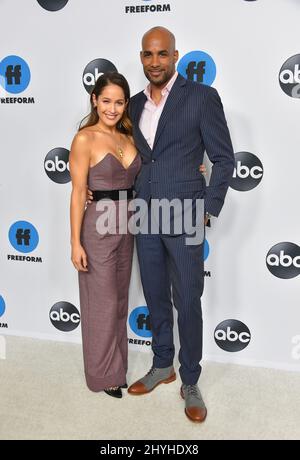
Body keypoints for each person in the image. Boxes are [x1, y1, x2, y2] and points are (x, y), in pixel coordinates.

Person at [125, 26, 235, 423]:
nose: (155, 62)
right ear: (142, 58)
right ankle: (162, 365)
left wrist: (208, 206)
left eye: (162, 54)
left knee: (187, 299)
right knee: (154, 293)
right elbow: (130, 159)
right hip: (145, 215)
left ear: (175, 56)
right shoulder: (133, 105)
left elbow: (224, 158)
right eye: (148, 55)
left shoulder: (202, 98)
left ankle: (190, 379)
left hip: (186, 212)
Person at [69, 72, 141, 399]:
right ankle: (101, 375)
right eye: (107, 101)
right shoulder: (85, 138)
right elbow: (77, 192)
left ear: (126, 104)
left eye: (120, 102)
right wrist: (75, 242)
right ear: (94, 100)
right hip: (97, 227)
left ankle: (118, 367)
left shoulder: (129, 137)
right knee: (102, 302)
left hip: (128, 225)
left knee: (120, 301)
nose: (112, 108)